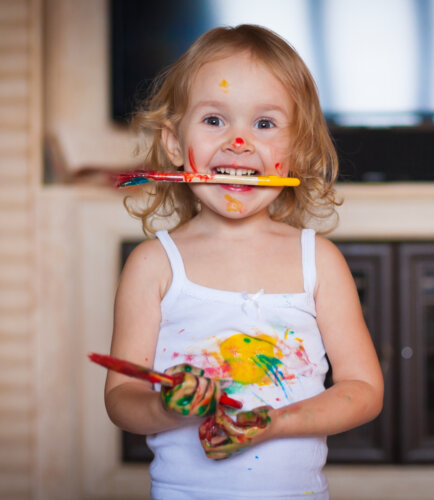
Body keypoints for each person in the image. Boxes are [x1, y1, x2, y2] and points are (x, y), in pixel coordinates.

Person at [104, 24, 384, 500]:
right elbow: (120, 400)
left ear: (295, 151)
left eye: (264, 124)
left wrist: (277, 422)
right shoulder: (154, 266)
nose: (238, 143)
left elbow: (363, 389)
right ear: (174, 144)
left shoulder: (319, 260)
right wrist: (172, 409)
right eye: (214, 120)